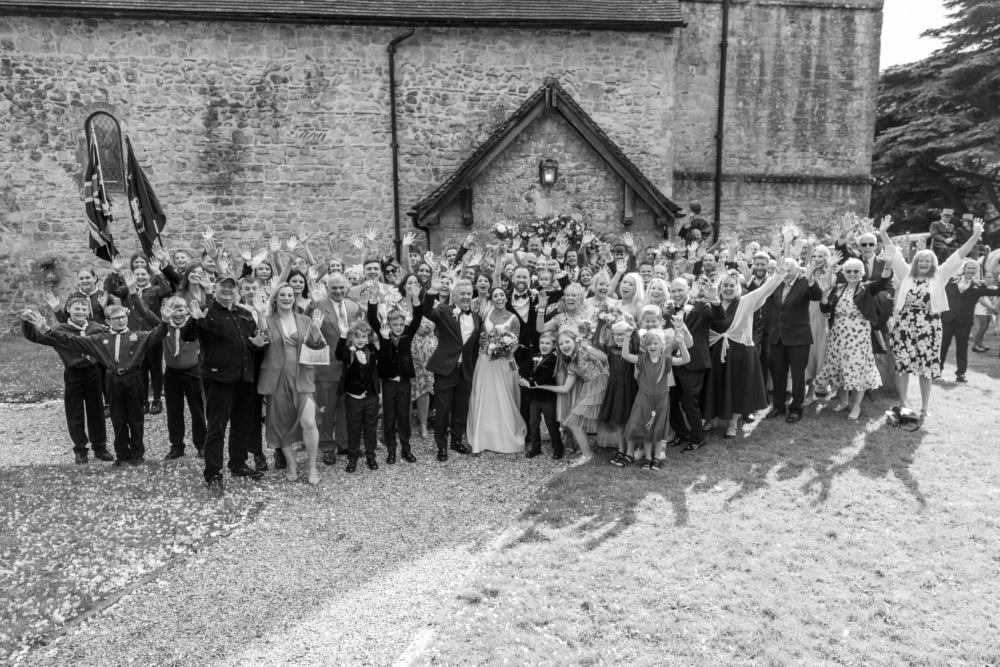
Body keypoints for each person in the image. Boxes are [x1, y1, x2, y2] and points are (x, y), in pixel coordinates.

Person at [22, 270, 170, 466]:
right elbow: (69, 340)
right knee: (103, 416)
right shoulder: (87, 336)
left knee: (119, 415)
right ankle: (102, 453)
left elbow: (153, 333)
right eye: (115, 318)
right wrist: (44, 328)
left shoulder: (118, 333)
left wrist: (163, 320)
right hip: (92, 376)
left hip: (117, 376)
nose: (120, 320)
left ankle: (124, 452)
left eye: (122, 317)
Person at [878, 215, 986, 422]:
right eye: (921, 260)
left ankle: (925, 407)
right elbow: (895, 254)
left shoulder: (940, 275)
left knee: (925, 368)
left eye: (928, 261)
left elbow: (959, 254)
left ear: (933, 263)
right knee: (904, 365)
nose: (924, 263)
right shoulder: (906, 273)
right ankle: (903, 403)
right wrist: (883, 233)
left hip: (929, 326)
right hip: (905, 324)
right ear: (916, 262)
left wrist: (975, 236)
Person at [182, 274, 269, 490]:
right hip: (219, 378)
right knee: (216, 428)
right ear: (215, 288)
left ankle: (238, 464)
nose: (228, 290)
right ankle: (213, 473)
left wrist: (257, 345)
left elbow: (251, 343)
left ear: (237, 290)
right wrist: (194, 320)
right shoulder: (205, 311)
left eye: (232, 286)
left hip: (244, 377)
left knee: (242, 425)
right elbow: (188, 337)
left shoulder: (245, 314)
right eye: (223, 286)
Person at [22, 294, 111, 464]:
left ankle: (100, 447)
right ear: (68, 309)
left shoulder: (96, 328)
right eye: (77, 308)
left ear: (88, 311)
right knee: (75, 412)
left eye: (84, 308)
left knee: (96, 411)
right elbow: (36, 337)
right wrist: (27, 323)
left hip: (93, 371)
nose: (81, 311)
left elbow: (114, 335)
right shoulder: (59, 330)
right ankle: (80, 450)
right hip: (73, 374)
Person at [703, 266, 786, 438]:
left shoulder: (746, 301)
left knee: (736, 388)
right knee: (715, 385)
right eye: (725, 286)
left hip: (739, 352)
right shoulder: (711, 303)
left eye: (732, 286)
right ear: (719, 288)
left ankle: (732, 424)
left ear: (738, 288)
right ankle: (711, 418)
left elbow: (765, 290)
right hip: (715, 352)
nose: (728, 289)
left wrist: (778, 275)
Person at [258, 283, 327, 484]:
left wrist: (315, 330)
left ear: (294, 298)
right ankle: (291, 463)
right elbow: (265, 336)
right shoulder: (268, 319)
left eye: (290, 295)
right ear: (275, 298)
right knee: (282, 424)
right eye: (282, 295)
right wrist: (260, 314)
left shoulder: (305, 319)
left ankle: (312, 467)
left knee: (309, 422)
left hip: (302, 377)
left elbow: (315, 347)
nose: (286, 298)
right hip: (277, 379)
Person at [815, 258, 892, 420]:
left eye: (856, 271)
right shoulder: (838, 288)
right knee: (840, 367)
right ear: (843, 273)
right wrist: (824, 294)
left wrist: (888, 264)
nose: (852, 274)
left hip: (858, 336)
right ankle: (844, 402)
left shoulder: (866, 288)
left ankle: (856, 406)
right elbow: (825, 309)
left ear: (861, 273)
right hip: (838, 335)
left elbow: (883, 281)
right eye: (848, 271)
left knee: (856, 369)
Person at [366, 279, 424, 464]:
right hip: (389, 382)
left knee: (404, 417)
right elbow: (372, 319)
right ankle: (391, 450)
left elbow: (418, 318)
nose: (398, 327)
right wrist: (374, 298)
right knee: (389, 417)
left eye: (400, 324)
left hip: (404, 382)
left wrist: (416, 299)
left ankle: (406, 449)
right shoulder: (384, 333)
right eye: (395, 325)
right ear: (389, 324)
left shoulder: (407, 333)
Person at [423, 278, 480, 461]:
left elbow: (474, 347)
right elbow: (426, 311)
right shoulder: (444, 310)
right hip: (446, 369)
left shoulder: (476, 317)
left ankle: (456, 441)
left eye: (469, 293)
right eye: (462, 293)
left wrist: (472, 366)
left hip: (465, 370)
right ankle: (441, 446)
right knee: (443, 409)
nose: (466, 296)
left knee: (460, 409)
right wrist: (432, 291)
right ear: (454, 295)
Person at [307, 272, 360, 465]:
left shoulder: (354, 307)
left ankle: (344, 444)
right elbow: (308, 328)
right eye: (333, 288)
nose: (338, 291)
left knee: (346, 409)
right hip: (326, 367)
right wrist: (312, 305)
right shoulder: (318, 306)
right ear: (327, 289)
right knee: (326, 410)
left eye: (341, 287)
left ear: (347, 287)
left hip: (350, 368)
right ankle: (327, 446)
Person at [667, 277, 725, 451]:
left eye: (680, 290)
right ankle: (682, 433)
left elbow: (719, 317)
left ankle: (697, 439)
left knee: (689, 402)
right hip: (672, 361)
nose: (677, 294)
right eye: (673, 291)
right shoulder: (669, 308)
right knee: (671, 400)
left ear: (688, 289)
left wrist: (715, 300)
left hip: (694, 361)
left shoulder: (701, 305)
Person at [468, 287, 527, 454]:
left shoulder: (514, 319)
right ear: (491, 299)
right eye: (495, 295)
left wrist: (502, 350)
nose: (499, 298)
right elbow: (481, 336)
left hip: (506, 362)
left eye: (502, 295)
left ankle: (506, 436)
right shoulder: (486, 314)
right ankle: (484, 435)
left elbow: (515, 344)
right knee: (484, 395)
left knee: (505, 396)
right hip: (485, 361)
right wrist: (483, 344)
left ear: (506, 298)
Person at [764, 258, 823, 424]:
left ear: (797, 270)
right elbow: (762, 293)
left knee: (798, 376)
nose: (786, 273)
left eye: (790, 270)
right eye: (784, 269)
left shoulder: (804, 282)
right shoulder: (777, 282)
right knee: (778, 374)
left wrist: (811, 280)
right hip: (777, 337)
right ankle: (778, 406)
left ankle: (796, 409)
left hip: (799, 337)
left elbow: (817, 295)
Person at [536, 331, 609, 464]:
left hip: (602, 384)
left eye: (567, 342)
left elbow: (604, 358)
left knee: (613, 417)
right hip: (589, 387)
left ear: (575, 341)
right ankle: (588, 454)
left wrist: (587, 348)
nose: (564, 346)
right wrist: (542, 386)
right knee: (573, 422)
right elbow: (565, 388)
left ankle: (634, 448)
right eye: (561, 344)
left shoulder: (584, 351)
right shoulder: (571, 365)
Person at [622, 329, 690, 470]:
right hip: (644, 398)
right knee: (647, 427)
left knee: (659, 428)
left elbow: (685, 359)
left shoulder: (666, 360)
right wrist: (627, 338)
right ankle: (648, 457)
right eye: (649, 344)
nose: (652, 346)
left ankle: (657, 457)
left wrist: (681, 343)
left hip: (661, 399)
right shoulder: (642, 359)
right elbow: (625, 355)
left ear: (662, 345)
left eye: (655, 343)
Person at [161, 296, 207, 460]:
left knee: (197, 410)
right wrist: (132, 292)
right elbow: (145, 314)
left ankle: (202, 444)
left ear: (187, 310)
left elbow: (207, 315)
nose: (177, 313)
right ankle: (177, 446)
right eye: (172, 309)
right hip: (171, 373)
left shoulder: (193, 325)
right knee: (174, 411)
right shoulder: (164, 326)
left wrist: (209, 293)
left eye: (180, 309)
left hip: (192, 372)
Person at [940, 259, 1000, 382]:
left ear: (976, 271)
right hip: (947, 319)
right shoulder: (950, 280)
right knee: (942, 347)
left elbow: (996, 292)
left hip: (964, 322)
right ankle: (936, 371)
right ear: (964, 269)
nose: (971, 270)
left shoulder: (979, 285)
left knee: (962, 348)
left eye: (974, 268)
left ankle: (961, 373)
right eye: (969, 268)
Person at [335, 319, 382, 472]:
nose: (360, 339)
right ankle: (352, 458)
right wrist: (342, 336)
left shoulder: (371, 350)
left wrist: (384, 337)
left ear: (367, 337)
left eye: (363, 336)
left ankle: (371, 457)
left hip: (371, 397)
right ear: (351, 337)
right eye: (356, 336)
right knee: (354, 430)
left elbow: (384, 356)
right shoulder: (347, 351)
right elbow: (338, 355)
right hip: (353, 398)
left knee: (370, 429)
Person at [599, 319, 639, 466]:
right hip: (614, 387)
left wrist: (631, 331)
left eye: (623, 334)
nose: (619, 337)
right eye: (617, 334)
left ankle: (630, 452)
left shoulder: (632, 349)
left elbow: (636, 340)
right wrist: (600, 322)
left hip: (628, 386)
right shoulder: (610, 349)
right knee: (618, 420)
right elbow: (597, 342)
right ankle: (621, 450)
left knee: (629, 420)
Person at [520, 331, 564, 459]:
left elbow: (547, 377)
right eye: (542, 343)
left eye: (547, 343)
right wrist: (523, 379)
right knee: (533, 422)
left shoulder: (554, 360)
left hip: (547, 397)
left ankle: (558, 447)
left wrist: (530, 382)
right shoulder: (535, 356)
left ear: (554, 345)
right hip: (533, 397)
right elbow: (527, 371)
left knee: (551, 423)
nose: (544, 346)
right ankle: (535, 447)